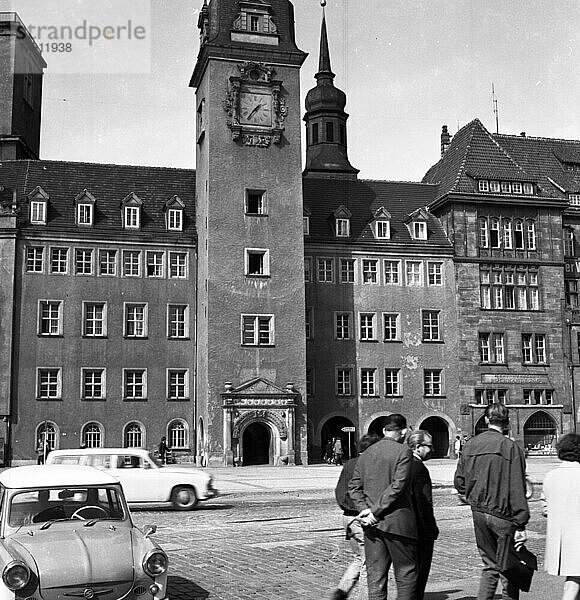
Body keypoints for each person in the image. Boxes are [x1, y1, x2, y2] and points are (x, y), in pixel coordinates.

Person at [454, 403, 529, 600]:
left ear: (486, 420)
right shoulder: (511, 447)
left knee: (489, 564)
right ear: (507, 422)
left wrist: (471, 495)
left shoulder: (470, 445)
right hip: (503, 513)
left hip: (479, 512)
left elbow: (459, 481)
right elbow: (517, 486)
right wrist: (521, 520)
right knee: (508, 563)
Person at [349, 414, 417, 600]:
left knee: (376, 577)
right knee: (406, 574)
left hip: (371, 526)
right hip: (398, 524)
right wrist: (375, 510)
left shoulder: (367, 453)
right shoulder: (404, 452)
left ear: (383, 430)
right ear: (403, 431)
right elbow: (398, 486)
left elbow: (353, 487)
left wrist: (365, 511)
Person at [331, 433, 380, 600]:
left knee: (359, 559)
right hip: (361, 518)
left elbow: (339, 491)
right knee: (369, 564)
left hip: (347, 517)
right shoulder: (368, 464)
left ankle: (340, 592)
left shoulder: (349, 463)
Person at [542, 433, 580, 600]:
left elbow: (545, 509)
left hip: (562, 540)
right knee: (573, 583)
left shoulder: (551, 476)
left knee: (573, 579)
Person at [407, 430, 439, 600]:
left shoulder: (403, 463)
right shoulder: (419, 468)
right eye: (429, 447)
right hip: (419, 530)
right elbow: (424, 502)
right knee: (420, 573)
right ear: (418, 447)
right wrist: (431, 529)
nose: (431, 450)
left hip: (405, 527)